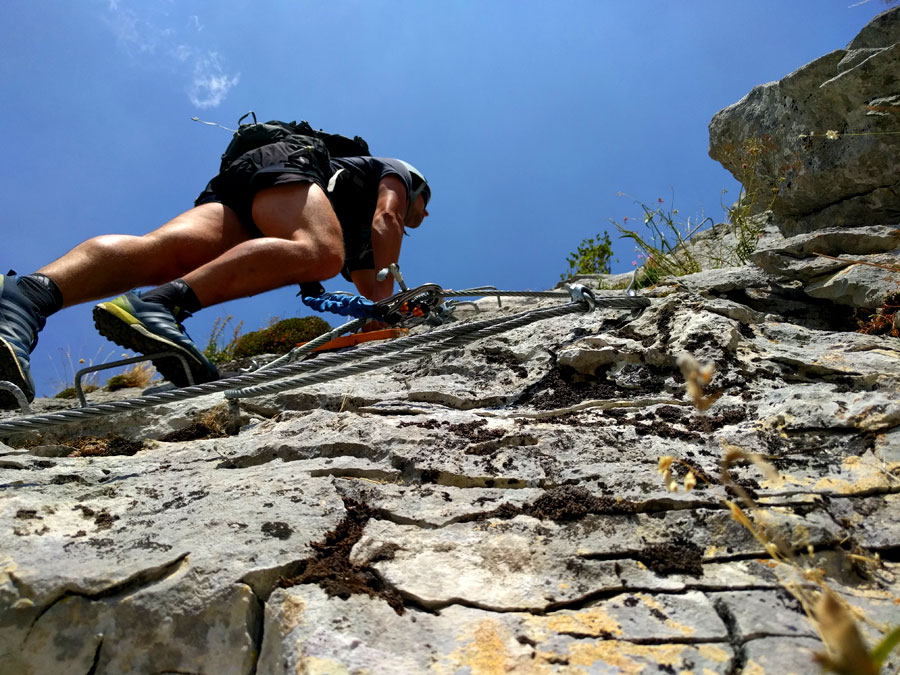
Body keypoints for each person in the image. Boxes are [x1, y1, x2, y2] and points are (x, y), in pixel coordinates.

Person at [0, 133, 430, 408]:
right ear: (418, 187)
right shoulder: (398, 173)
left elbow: (372, 292)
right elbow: (387, 221)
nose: (424, 216)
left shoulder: (355, 240)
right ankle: (159, 306)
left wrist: (388, 309)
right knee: (319, 251)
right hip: (291, 166)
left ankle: (23, 299)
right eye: (425, 205)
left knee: (167, 254)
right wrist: (397, 300)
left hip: (251, 175)